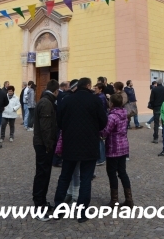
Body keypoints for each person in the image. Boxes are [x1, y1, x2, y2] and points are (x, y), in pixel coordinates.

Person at [53, 77, 108, 223]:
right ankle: (82, 212)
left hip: (70, 144)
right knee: (86, 179)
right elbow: (103, 122)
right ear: (88, 86)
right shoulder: (95, 100)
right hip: (89, 144)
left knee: (65, 177)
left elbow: (59, 122)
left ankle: (58, 209)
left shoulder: (66, 100)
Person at [32, 79, 60, 220]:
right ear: (55, 91)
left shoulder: (45, 101)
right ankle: (38, 206)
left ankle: (41, 202)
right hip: (43, 144)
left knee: (44, 173)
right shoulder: (46, 103)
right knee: (42, 174)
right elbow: (46, 128)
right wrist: (50, 146)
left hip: (42, 143)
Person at [101, 92, 134, 208]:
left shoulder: (112, 116)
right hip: (124, 146)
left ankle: (114, 200)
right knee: (122, 172)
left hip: (113, 147)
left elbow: (105, 132)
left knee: (112, 173)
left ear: (112, 103)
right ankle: (129, 199)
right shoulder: (125, 114)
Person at [94, 83, 108, 166]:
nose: (94, 89)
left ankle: (101, 158)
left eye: (96, 88)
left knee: (99, 139)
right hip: (100, 119)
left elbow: (101, 111)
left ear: (100, 89)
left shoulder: (100, 98)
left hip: (99, 120)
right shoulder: (99, 97)